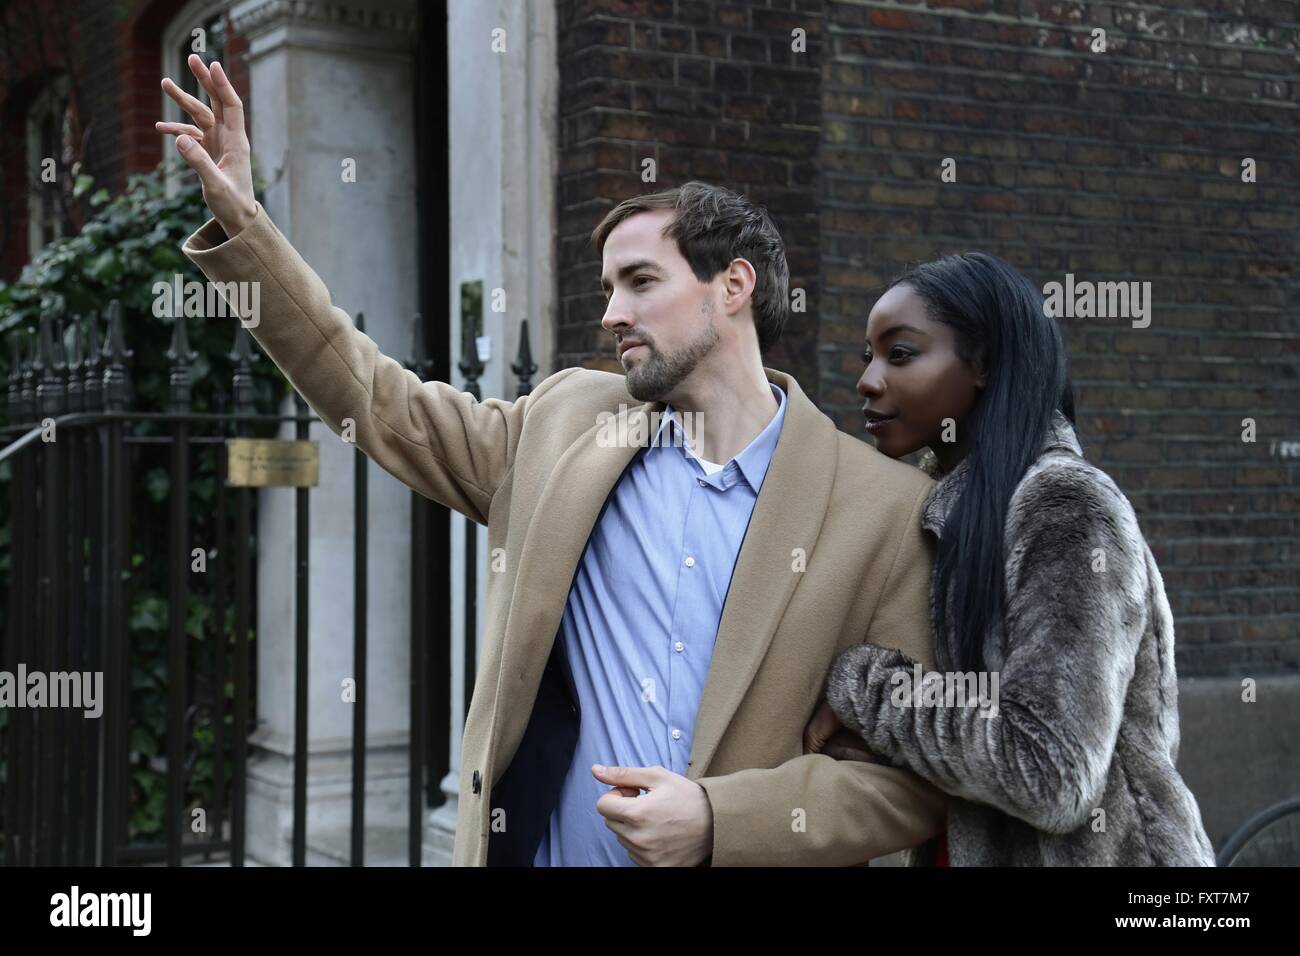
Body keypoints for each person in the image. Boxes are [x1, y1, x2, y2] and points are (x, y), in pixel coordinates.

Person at [161, 53, 945, 866]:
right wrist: (247, 228)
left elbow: (903, 786)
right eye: (607, 288)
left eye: (640, 281)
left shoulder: (883, 512)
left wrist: (719, 819)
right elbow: (374, 399)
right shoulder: (565, 425)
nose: (612, 313)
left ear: (734, 285)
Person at [804, 253, 1217, 866]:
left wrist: (861, 683)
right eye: (869, 356)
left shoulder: (1063, 505)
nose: (867, 380)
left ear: (984, 365)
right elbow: (970, 730)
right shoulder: (937, 513)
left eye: (901, 353)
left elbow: (1048, 769)